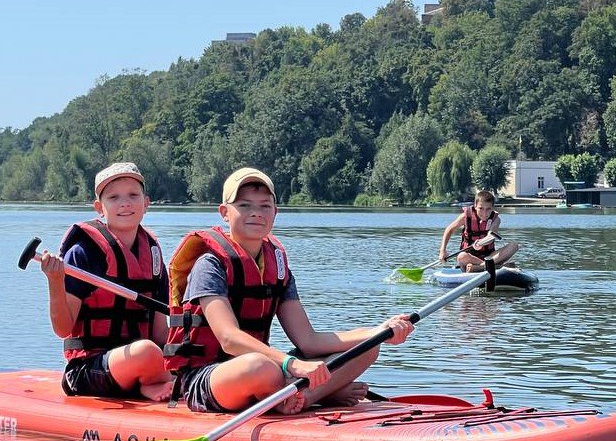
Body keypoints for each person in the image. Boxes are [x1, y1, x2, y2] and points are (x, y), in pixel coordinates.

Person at [163, 166, 415, 414]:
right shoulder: (209, 265)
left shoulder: (278, 267)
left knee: (368, 346)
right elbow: (229, 339)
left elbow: (309, 341)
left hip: (270, 370)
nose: (256, 213)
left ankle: (304, 396)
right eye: (244, 205)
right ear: (224, 213)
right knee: (260, 367)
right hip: (211, 378)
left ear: (275, 212)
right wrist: (291, 364)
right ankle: (312, 392)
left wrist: (380, 331)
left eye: (265, 206)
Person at [39, 161, 172, 401]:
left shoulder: (152, 254)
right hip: (87, 370)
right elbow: (63, 329)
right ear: (100, 208)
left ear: (146, 203)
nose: (125, 203)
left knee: (179, 353)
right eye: (114, 197)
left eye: (133, 195)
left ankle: (151, 380)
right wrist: (55, 280)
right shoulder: (84, 253)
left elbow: (160, 333)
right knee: (146, 351)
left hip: (141, 361)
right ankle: (146, 384)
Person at [439, 189, 519, 272]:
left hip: (489, 257)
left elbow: (491, 237)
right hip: (469, 257)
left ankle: (480, 267)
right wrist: (442, 251)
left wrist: (481, 242)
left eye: (488, 209)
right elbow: (449, 230)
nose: (484, 213)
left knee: (514, 246)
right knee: (461, 256)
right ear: (475, 206)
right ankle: (494, 267)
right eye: (481, 208)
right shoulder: (466, 216)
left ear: (492, 208)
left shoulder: (496, 219)